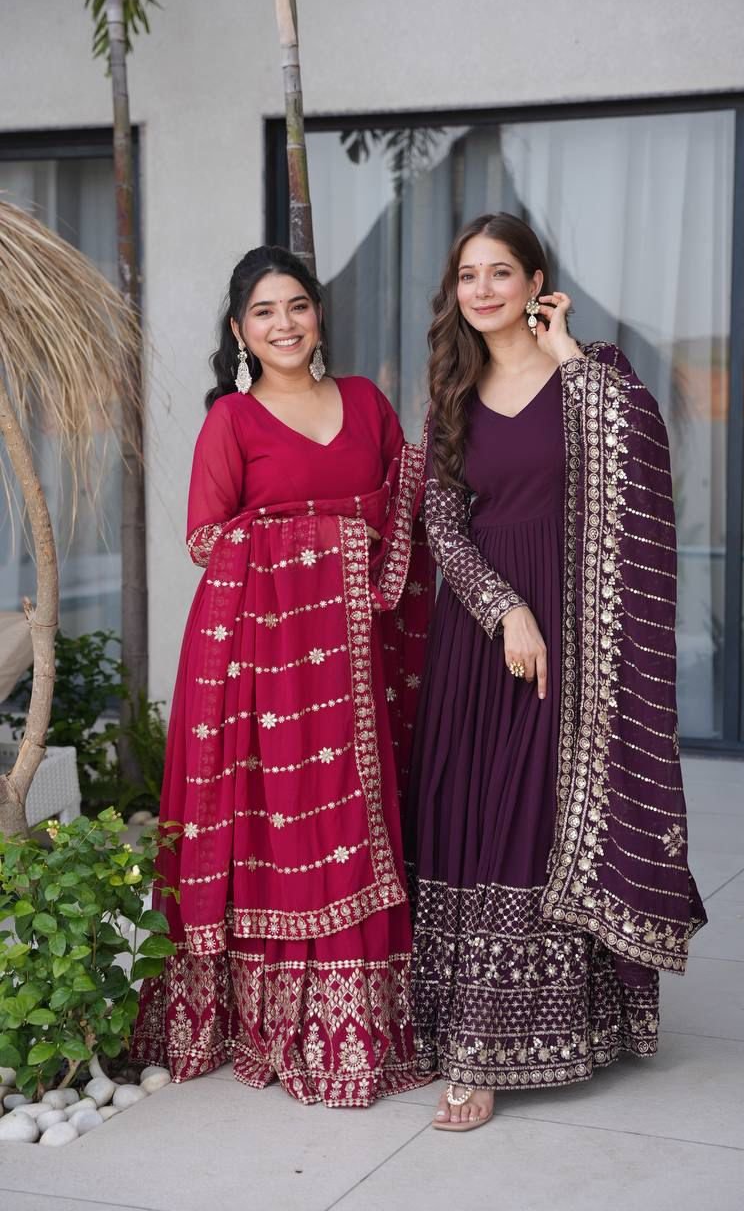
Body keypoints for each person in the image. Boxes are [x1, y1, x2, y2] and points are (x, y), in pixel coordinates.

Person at [405, 213, 706, 1132]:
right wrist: (504, 609)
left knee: (537, 823)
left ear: (538, 282)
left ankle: (529, 1036)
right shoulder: (453, 390)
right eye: (468, 275)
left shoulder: (593, 375)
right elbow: (440, 521)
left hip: (581, 639)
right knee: (473, 818)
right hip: (484, 635)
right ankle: (470, 1034)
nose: (482, 290)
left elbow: (641, 457)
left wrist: (566, 351)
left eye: (501, 271)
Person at [132, 245, 432, 1108]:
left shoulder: (367, 403)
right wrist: (331, 536)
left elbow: (409, 512)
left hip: (364, 659)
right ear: (239, 331)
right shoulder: (232, 420)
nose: (284, 323)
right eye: (264, 312)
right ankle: (268, 1021)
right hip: (263, 670)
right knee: (285, 830)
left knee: (368, 819)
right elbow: (206, 538)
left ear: (318, 314)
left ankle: (370, 1019)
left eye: (297, 305)